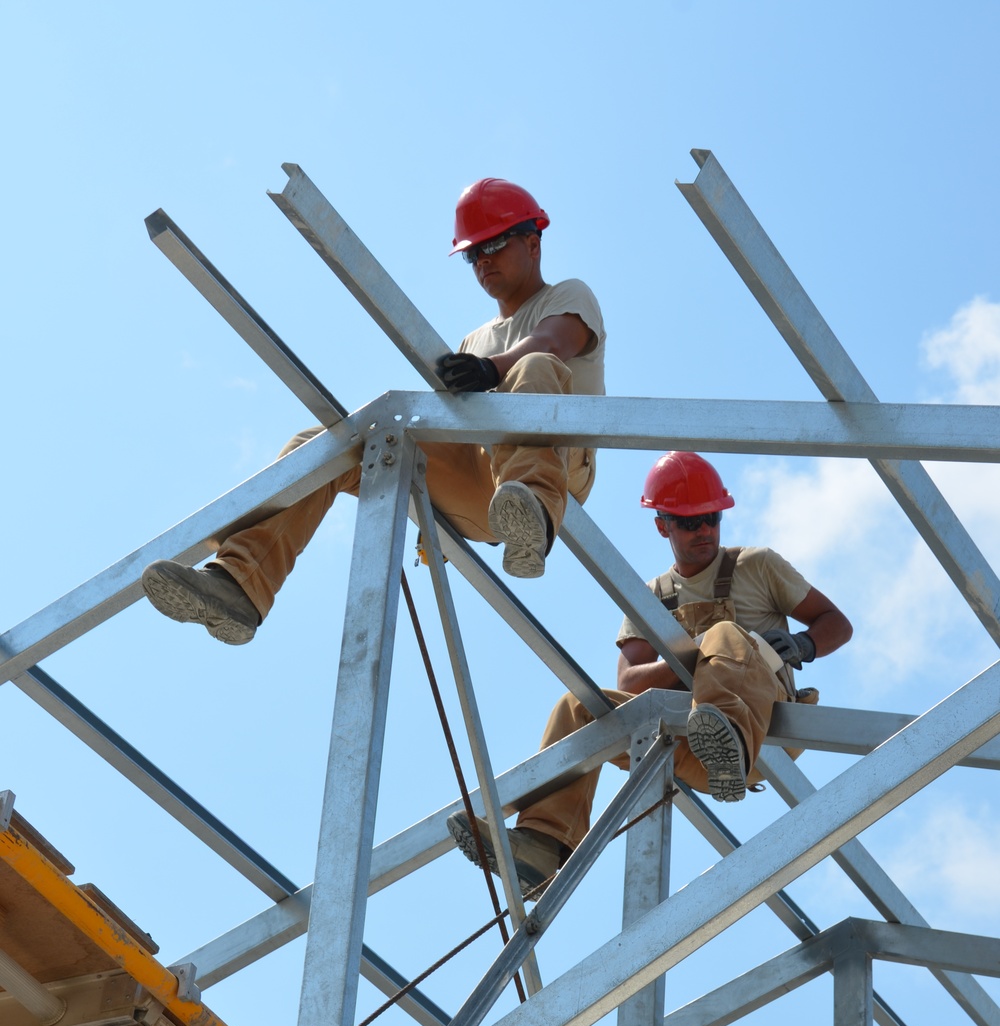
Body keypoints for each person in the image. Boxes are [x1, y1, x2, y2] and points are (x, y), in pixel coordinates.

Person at [140, 178, 606, 644]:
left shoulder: (568, 296)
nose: (483, 261)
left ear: (532, 241)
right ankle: (239, 584)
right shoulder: (474, 341)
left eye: (496, 244)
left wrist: (490, 369)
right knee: (329, 445)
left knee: (535, 366)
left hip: (555, 467)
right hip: (482, 486)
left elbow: (550, 344)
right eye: (473, 253)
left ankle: (534, 519)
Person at [449, 451, 853, 890]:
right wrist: (695, 653)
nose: (705, 531)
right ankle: (544, 845)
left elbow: (836, 622)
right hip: (686, 741)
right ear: (662, 525)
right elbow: (629, 681)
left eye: (712, 518)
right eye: (689, 522)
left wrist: (803, 643)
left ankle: (729, 739)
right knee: (578, 707)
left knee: (726, 636)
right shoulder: (652, 596)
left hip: (759, 734)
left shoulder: (756, 566)